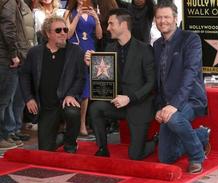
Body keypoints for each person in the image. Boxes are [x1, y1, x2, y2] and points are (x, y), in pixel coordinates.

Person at [85, 8, 157, 160]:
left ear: (124, 25)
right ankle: (102, 148)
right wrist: (93, 65)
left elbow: (152, 83)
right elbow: (106, 81)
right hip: (118, 105)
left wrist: (130, 97)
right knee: (96, 108)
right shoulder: (109, 48)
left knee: (135, 156)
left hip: (139, 105)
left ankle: (157, 140)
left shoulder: (144, 49)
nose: (107, 28)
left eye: (111, 24)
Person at [153, 1, 210, 174]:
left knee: (174, 118)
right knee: (165, 157)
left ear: (175, 18)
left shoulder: (190, 39)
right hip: (168, 102)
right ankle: (201, 135)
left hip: (191, 98)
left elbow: (190, 74)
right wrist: (159, 108)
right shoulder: (156, 45)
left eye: (166, 17)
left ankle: (197, 156)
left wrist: (174, 105)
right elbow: (159, 81)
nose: (163, 21)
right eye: (159, 17)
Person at [19, 16, 86, 153]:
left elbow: (81, 77)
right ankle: (63, 137)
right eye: (58, 30)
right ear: (48, 33)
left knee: (73, 112)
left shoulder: (75, 51)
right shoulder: (35, 52)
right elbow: (24, 75)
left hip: (65, 102)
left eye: (65, 30)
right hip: (46, 107)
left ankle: (70, 144)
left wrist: (71, 94)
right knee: (45, 150)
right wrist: (29, 98)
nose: (63, 33)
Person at [64, 0, 102, 138]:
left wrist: (97, 19)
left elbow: (99, 35)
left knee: (87, 87)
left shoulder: (93, 11)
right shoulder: (69, 12)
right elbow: (68, 35)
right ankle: (70, 123)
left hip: (90, 49)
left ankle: (82, 124)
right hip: (75, 49)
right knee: (74, 84)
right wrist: (78, 16)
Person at [0, 0, 31, 150]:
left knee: (6, 101)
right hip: (6, 57)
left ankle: (7, 133)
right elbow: (8, 28)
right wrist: (14, 54)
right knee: (4, 101)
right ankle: (2, 137)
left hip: (5, 56)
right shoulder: (9, 2)